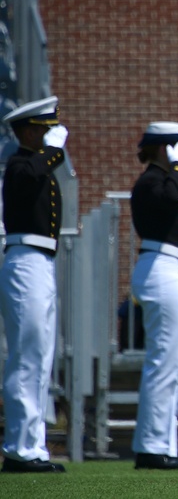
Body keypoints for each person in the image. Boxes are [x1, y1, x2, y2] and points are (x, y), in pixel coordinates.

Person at [0, 96, 67, 473]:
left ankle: (34, 446)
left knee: (41, 357)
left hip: (41, 262)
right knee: (26, 358)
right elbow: (32, 176)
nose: (51, 136)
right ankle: (18, 449)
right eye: (45, 129)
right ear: (28, 131)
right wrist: (53, 153)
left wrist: (51, 156)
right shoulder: (20, 164)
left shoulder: (36, 165)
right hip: (25, 261)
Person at [129, 122, 178, 470]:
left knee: (171, 366)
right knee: (163, 366)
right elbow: (172, 196)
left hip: (169, 268)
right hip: (159, 267)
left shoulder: (162, 181)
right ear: (163, 149)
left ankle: (160, 445)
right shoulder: (154, 182)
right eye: (176, 147)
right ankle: (152, 448)